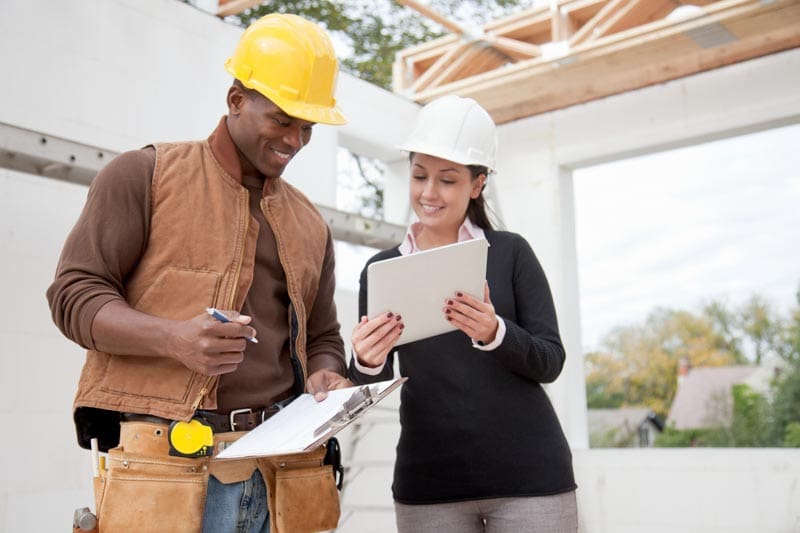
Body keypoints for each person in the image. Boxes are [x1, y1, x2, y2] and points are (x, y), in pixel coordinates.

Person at [47, 13, 350, 533]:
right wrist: (173, 338)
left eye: (307, 127)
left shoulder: (310, 223)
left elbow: (322, 334)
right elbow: (74, 296)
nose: (295, 140)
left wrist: (325, 371)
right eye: (282, 119)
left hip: (282, 477)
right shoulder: (144, 175)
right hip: (168, 472)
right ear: (236, 100)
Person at [348, 95, 578, 533]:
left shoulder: (510, 253)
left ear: (477, 184)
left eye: (447, 180)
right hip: (430, 486)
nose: (428, 193)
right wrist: (366, 360)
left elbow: (551, 360)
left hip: (531, 479)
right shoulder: (381, 270)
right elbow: (368, 389)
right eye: (419, 176)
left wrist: (496, 333)